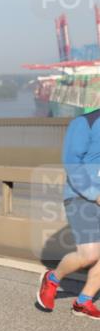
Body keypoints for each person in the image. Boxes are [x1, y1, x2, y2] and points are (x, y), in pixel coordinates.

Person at [36, 108, 100, 318]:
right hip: (82, 197)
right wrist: (94, 194)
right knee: (89, 255)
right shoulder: (85, 122)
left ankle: (83, 302)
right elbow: (72, 163)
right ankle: (53, 278)